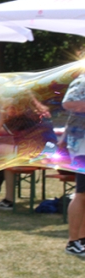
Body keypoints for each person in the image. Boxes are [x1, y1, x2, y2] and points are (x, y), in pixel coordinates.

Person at [61, 74, 85, 256]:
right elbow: (68, 103)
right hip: (82, 144)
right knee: (82, 194)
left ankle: (82, 239)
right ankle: (73, 241)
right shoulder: (82, 80)